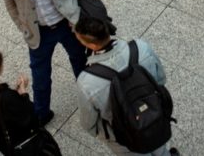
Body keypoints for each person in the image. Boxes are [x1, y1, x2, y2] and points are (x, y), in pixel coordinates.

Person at [74, 16, 179, 156]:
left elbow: (89, 124)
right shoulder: (141, 47)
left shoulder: (87, 81)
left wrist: (108, 136)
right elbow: (160, 80)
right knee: (160, 148)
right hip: (155, 117)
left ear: (91, 45)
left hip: (124, 136)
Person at [0, 45, 62, 155]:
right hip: (28, 147)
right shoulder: (6, 97)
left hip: (3, 142)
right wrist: (23, 94)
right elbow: (32, 117)